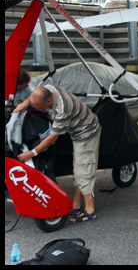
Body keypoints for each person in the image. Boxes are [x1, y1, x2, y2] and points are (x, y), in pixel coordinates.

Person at [13, 85, 101, 223]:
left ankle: (90, 211)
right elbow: (35, 95)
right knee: (77, 168)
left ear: (48, 102)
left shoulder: (63, 109)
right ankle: (76, 206)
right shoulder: (48, 89)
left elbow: (52, 137)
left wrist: (32, 153)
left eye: (39, 107)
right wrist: (25, 104)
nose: (37, 109)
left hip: (86, 133)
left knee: (84, 169)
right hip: (76, 130)